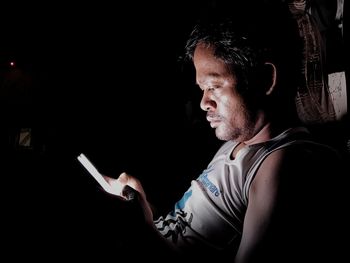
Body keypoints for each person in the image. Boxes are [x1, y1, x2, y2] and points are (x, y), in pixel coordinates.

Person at [100, 1, 347, 262]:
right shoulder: (237, 140)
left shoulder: (280, 165)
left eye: (214, 86)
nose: (204, 102)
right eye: (202, 89)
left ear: (265, 80)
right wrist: (141, 208)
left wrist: (143, 233)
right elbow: (189, 231)